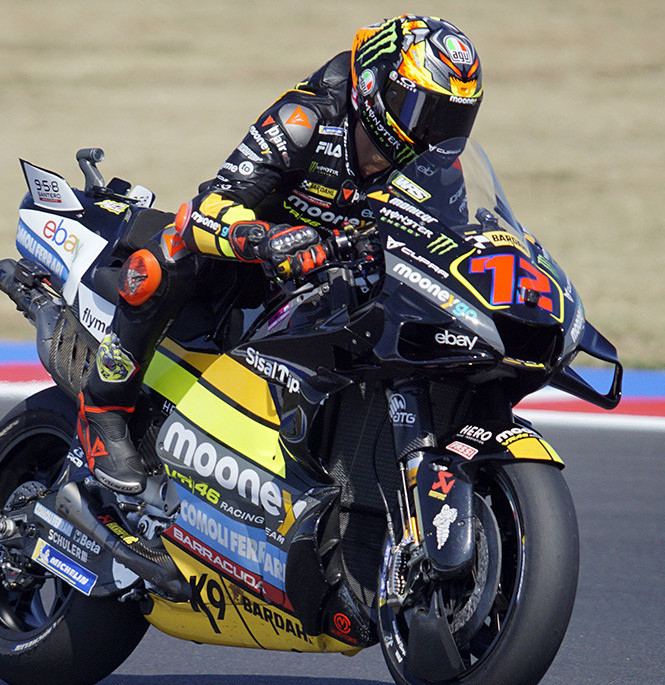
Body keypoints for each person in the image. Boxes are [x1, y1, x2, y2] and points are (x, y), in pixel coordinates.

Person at [77, 14, 484, 494]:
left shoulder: (439, 170)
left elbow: (447, 247)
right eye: (423, 111)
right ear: (375, 85)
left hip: (335, 287)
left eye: (452, 120)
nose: (434, 132)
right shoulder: (306, 119)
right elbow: (205, 209)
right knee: (166, 254)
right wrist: (266, 239)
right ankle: (103, 408)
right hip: (245, 270)